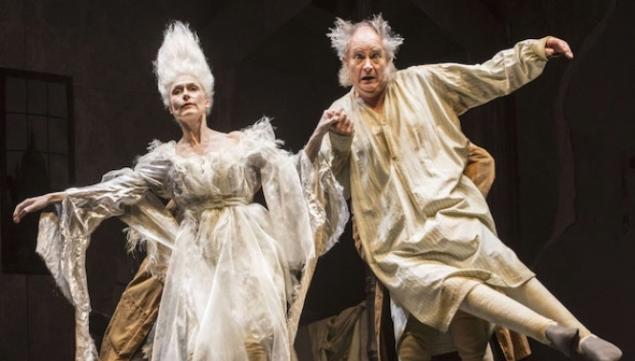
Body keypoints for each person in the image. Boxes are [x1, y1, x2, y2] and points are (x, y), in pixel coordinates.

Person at [13, 21, 351, 361]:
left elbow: (291, 173)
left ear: (206, 99)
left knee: (254, 341)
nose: (185, 95)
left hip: (245, 253)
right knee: (200, 345)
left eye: (192, 89)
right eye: (177, 92)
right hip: (196, 257)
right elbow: (116, 189)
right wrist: (59, 197)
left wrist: (320, 133)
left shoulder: (241, 144)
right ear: (170, 106)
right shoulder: (168, 160)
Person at [314, 14, 622, 361]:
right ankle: (551, 331)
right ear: (345, 63)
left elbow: (484, 77)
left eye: (376, 55)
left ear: (389, 59)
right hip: (397, 242)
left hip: (451, 213)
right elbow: (325, 183)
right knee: (443, 300)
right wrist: (338, 141)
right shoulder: (338, 116)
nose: (368, 65)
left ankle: (582, 337)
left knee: (498, 261)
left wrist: (531, 53)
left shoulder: (423, 82)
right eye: (359, 57)